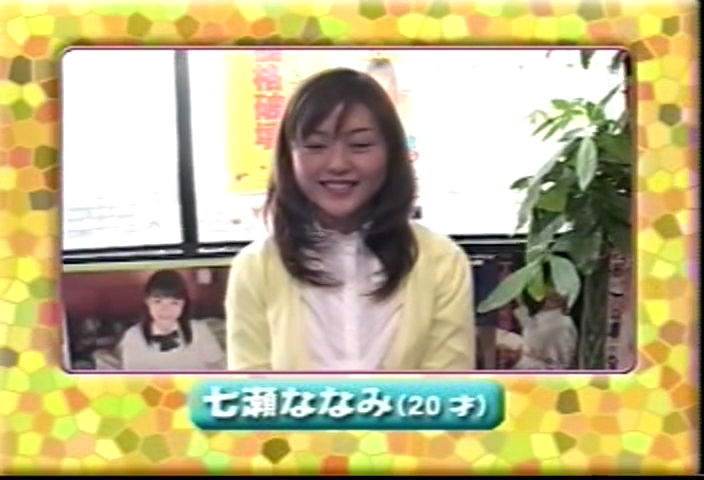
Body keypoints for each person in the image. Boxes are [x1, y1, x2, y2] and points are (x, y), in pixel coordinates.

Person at [225, 67, 476, 371]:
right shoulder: (255, 267)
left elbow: (448, 388)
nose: (338, 164)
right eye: (316, 146)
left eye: (360, 145)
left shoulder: (442, 262)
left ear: (391, 154)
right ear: (289, 157)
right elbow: (251, 388)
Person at [119, 269, 226, 371]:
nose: (165, 310)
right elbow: (133, 379)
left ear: (183, 304)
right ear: (147, 302)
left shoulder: (199, 330)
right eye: (157, 302)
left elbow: (218, 367)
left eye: (174, 303)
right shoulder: (133, 337)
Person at [497, 289, 578, 370]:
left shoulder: (562, 324)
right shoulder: (542, 316)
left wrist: (519, 359)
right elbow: (529, 326)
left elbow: (559, 368)